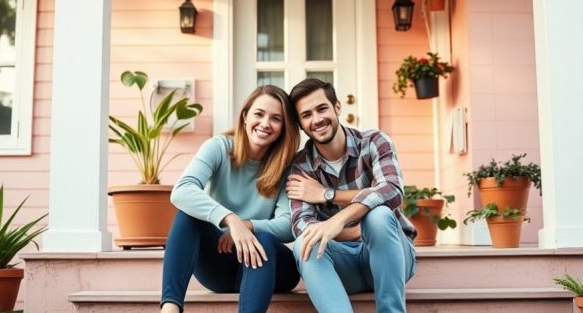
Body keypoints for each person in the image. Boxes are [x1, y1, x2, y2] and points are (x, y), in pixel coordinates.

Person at [161, 85, 301, 313]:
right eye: (259, 114)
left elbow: (288, 225)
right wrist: (231, 220)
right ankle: (170, 308)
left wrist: (247, 226)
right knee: (187, 213)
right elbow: (182, 190)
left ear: (284, 127)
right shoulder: (218, 148)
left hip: (270, 269)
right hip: (221, 265)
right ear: (245, 116)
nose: (265, 123)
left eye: (276, 119)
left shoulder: (288, 166)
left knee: (264, 238)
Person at [285, 78, 417, 313]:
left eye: (322, 108)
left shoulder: (374, 142)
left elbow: (392, 190)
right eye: (306, 115)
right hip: (343, 267)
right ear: (301, 124)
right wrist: (352, 231)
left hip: (392, 258)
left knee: (378, 216)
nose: (316, 119)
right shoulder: (301, 166)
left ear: (337, 107)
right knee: (305, 243)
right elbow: (302, 224)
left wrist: (330, 202)